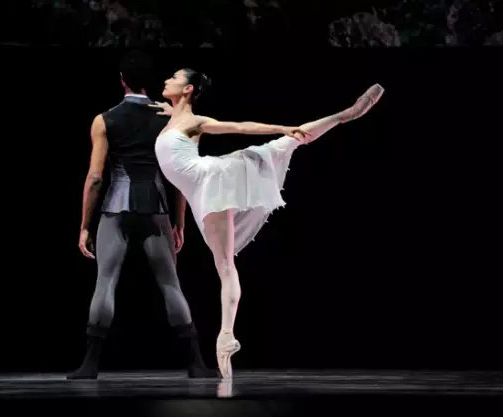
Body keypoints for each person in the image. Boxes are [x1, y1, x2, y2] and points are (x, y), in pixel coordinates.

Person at [151, 69, 384, 378]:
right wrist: (180, 222)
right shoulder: (175, 119)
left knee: (284, 143)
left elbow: (241, 127)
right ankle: (226, 337)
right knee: (225, 264)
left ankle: (345, 115)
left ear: (188, 89)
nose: (167, 79)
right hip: (199, 192)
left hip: (213, 181)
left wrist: (282, 127)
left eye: (174, 77)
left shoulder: (194, 122)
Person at [67, 54, 216, 380]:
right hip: (156, 207)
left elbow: (95, 177)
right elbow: (179, 176)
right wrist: (179, 222)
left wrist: (84, 226)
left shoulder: (104, 120)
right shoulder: (169, 120)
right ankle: (196, 364)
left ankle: (90, 365)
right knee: (170, 284)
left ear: (122, 79)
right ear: (150, 83)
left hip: (116, 208)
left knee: (105, 282)